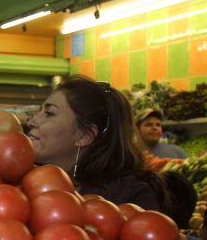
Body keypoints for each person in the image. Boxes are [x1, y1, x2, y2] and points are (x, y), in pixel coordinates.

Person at [26, 75, 171, 213]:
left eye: (49, 113)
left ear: (85, 136)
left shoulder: (132, 197)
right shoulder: (24, 179)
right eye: (40, 111)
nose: (31, 122)